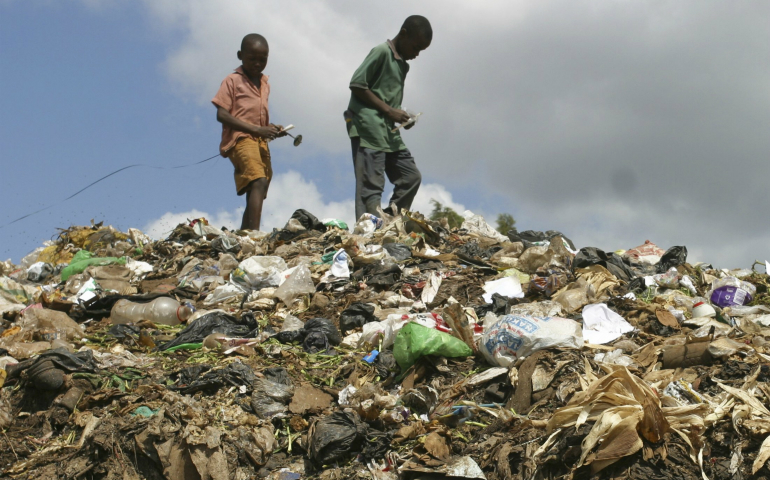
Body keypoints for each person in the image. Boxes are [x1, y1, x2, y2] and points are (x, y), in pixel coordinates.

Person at [345, 15, 433, 219]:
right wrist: (389, 111)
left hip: (388, 132)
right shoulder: (382, 52)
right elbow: (357, 84)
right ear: (403, 34)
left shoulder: (403, 65)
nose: (417, 54)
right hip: (368, 128)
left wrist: (401, 117)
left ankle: (389, 222)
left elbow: (387, 98)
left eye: (421, 50)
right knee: (371, 188)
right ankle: (368, 235)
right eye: (415, 47)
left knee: (411, 177)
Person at [212, 33, 286, 231]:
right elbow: (222, 114)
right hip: (241, 138)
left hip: (260, 141)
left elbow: (256, 116)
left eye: (263, 59)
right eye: (252, 58)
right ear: (240, 55)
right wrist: (257, 129)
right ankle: (254, 235)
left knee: (258, 189)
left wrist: (272, 128)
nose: (257, 63)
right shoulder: (232, 81)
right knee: (258, 181)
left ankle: (245, 235)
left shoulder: (264, 83)